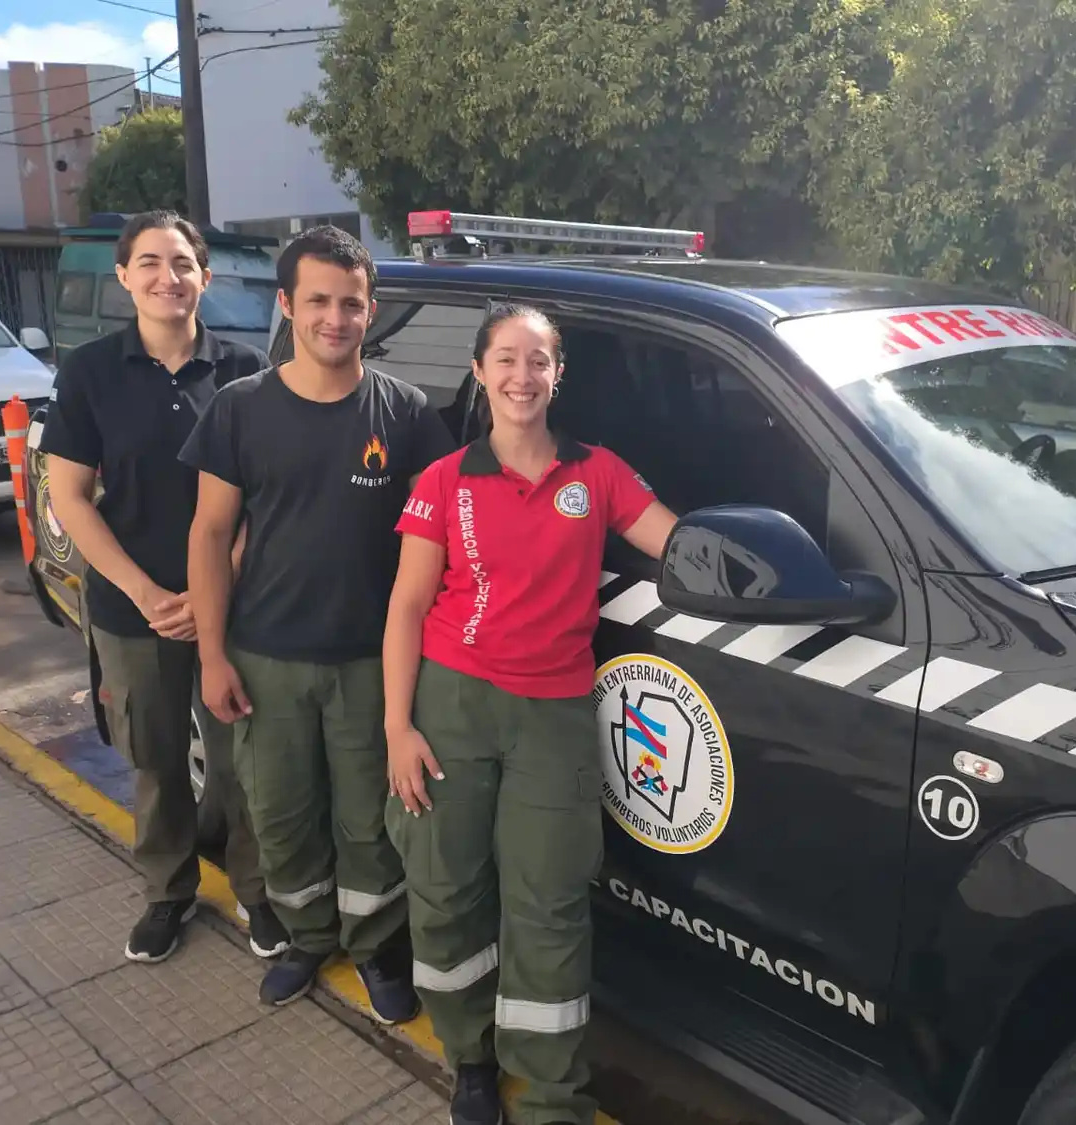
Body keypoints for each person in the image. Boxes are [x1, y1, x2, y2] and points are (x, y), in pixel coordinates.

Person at [382, 304, 678, 1125]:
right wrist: (398, 728)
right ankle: (469, 1058)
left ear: (559, 374)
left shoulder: (598, 475)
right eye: (506, 359)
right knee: (446, 892)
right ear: (479, 371)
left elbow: (677, 542)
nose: (522, 375)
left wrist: (747, 562)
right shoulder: (445, 480)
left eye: (538, 360)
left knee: (548, 905)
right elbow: (406, 606)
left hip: (553, 713)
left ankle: (552, 1094)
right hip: (450, 703)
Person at [181, 224, 457, 1020]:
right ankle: (308, 935)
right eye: (318, 302)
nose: (335, 318)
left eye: (351, 303)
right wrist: (211, 655)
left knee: (372, 818)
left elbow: (446, 528)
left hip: (374, 663)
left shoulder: (403, 413)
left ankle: (374, 946)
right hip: (265, 658)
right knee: (281, 812)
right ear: (286, 305)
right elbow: (208, 535)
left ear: (371, 311)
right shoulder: (240, 410)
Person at [40, 209, 286, 964]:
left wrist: (224, 580)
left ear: (205, 278)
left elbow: (265, 494)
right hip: (130, 605)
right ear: (124, 277)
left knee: (240, 755)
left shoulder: (245, 371)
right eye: (149, 263)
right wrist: (147, 592)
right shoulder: (90, 374)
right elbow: (70, 496)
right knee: (156, 757)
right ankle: (168, 890)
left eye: (181, 263)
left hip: (234, 605)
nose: (166, 277)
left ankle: (258, 892)